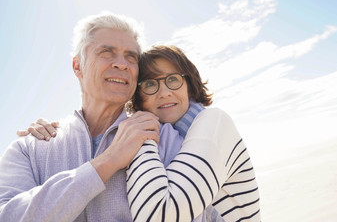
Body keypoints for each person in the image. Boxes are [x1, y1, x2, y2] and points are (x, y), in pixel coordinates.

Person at [21, 45, 261, 221]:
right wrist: (54, 132)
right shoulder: (170, 138)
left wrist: (142, 133)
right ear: (137, 97)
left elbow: (160, 213)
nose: (164, 92)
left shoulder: (213, 121)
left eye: (173, 80)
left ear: (190, 83)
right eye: (150, 84)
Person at [0, 12, 161, 221]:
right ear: (77, 66)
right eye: (107, 52)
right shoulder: (28, 148)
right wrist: (108, 161)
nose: (122, 64)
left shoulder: (159, 136)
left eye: (131, 57)